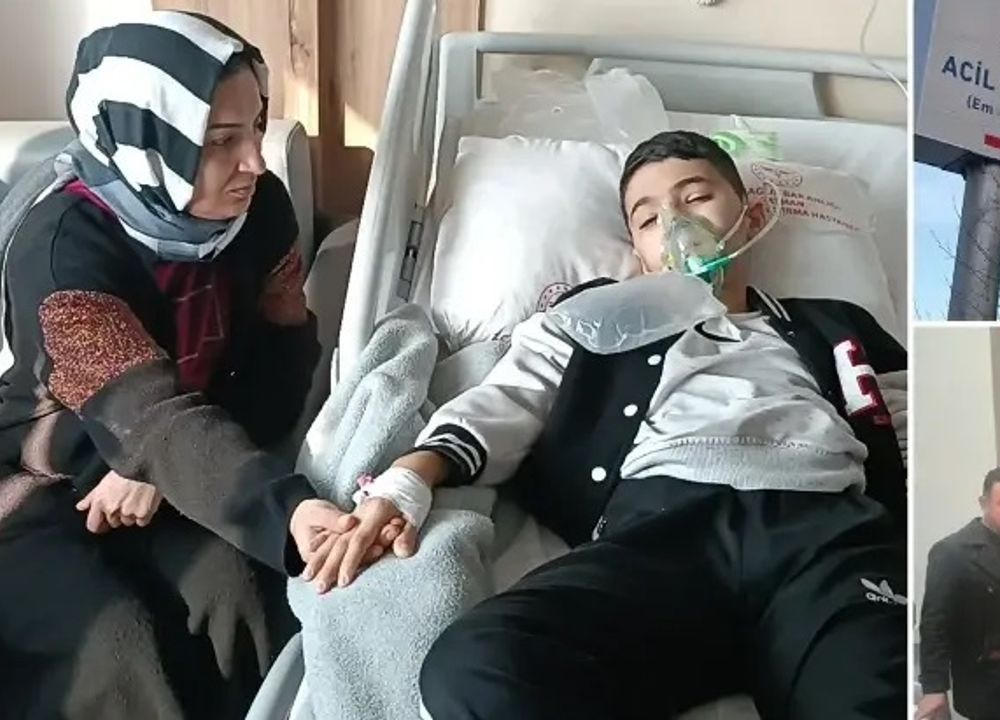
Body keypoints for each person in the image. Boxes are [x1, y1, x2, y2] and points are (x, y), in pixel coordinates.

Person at [304, 130, 907, 718]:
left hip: (825, 536)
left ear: (750, 218)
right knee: (477, 669)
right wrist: (407, 479)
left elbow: (912, 428)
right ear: (639, 251)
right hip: (662, 536)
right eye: (649, 219)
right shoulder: (598, 317)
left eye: (696, 197)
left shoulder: (834, 324)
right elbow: (508, 399)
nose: (677, 225)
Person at [0, 14, 400, 719]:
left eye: (256, 129)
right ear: (146, 139)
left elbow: (283, 360)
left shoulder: (261, 211)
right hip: (44, 473)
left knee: (239, 597)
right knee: (113, 651)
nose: (255, 163)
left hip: (184, 457)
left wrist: (165, 471)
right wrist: (282, 505)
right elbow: (144, 414)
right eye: (219, 141)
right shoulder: (61, 251)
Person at [918, 469, 1000, 720]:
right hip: (983, 687)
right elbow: (934, 624)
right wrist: (934, 688)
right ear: (984, 503)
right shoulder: (952, 552)